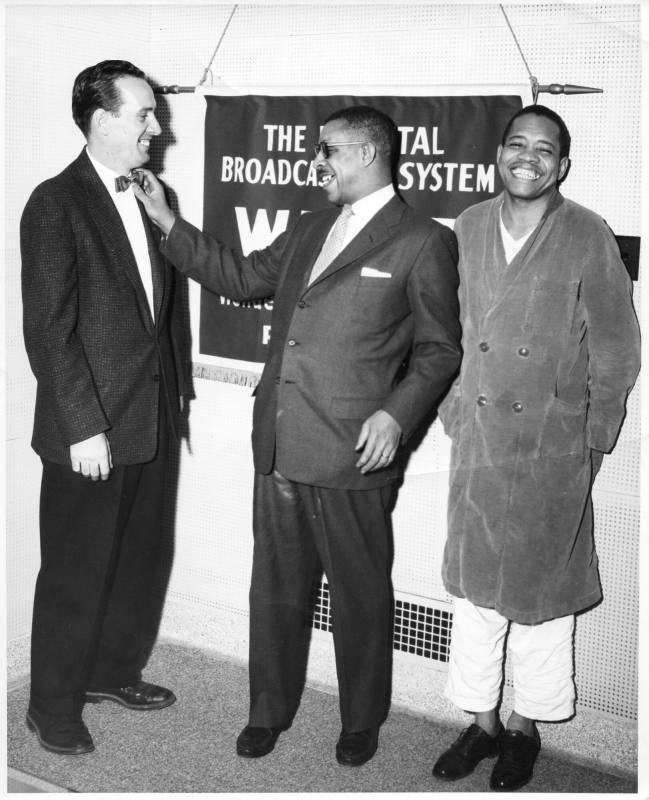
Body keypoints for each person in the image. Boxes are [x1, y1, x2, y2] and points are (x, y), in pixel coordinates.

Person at [134, 105, 462, 766]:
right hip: (279, 441)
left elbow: (438, 351)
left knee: (360, 592)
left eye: (328, 151)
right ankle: (267, 711)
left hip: (353, 453)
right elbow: (238, 276)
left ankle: (360, 720)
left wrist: (395, 414)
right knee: (276, 588)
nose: (317, 164)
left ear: (368, 153)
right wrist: (168, 220)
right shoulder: (310, 227)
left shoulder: (422, 239)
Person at [433, 104, 640, 791]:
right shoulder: (464, 226)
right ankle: (481, 723)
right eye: (516, 144)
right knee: (475, 599)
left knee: (539, 603)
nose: (528, 156)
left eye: (543, 149)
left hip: (551, 450)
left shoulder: (586, 234)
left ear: (563, 164)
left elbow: (616, 348)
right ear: (497, 154)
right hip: (479, 442)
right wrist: (452, 409)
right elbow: (440, 330)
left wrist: (590, 441)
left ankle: (524, 731)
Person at [20, 60, 191, 755]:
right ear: (100, 119)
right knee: (76, 566)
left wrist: (175, 395)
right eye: (143, 114)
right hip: (90, 429)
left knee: (141, 556)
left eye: (155, 113)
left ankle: (113, 670)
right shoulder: (55, 203)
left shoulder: (156, 195)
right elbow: (49, 329)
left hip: (151, 416)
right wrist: (82, 425)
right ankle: (52, 704)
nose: (158, 126)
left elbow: (158, 314)